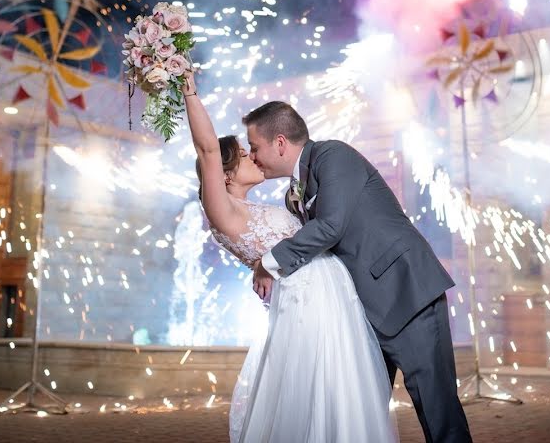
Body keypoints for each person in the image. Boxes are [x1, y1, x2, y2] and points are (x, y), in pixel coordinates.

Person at [182, 71, 397, 443]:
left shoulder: (263, 205)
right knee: (314, 391)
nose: (253, 155)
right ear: (225, 175)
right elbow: (207, 149)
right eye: (245, 152)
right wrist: (188, 88)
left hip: (333, 297)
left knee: (341, 390)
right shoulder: (224, 212)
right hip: (305, 303)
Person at [246, 100, 473, 443]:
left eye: (254, 147)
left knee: (438, 413)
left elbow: (331, 226)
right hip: (361, 316)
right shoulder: (293, 192)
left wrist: (268, 263)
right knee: (360, 417)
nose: (252, 156)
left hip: (406, 296)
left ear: (279, 143)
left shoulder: (333, 155)